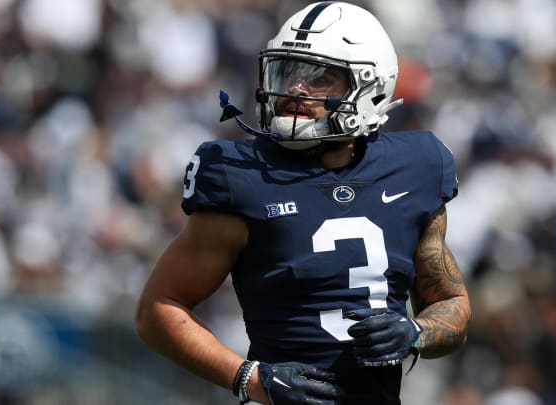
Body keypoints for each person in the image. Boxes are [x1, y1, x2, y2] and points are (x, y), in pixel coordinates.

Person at [135, 2, 471, 404]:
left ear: (371, 88)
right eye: (289, 72)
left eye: (320, 78)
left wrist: (414, 333)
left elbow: (452, 304)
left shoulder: (417, 167)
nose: (296, 89)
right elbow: (157, 308)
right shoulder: (243, 176)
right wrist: (250, 378)